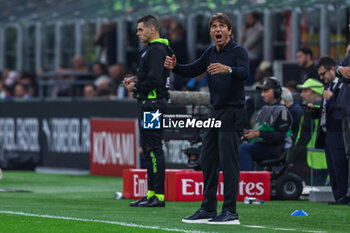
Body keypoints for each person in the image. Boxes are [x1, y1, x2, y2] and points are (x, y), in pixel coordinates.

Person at [165, 13, 248, 225]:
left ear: (229, 30)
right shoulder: (211, 52)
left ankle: (230, 211)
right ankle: (208, 208)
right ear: (211, 31)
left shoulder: (238, 51)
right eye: (213, 26)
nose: (217, 30)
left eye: (221, 26)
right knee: (208, 158)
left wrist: (227, 69)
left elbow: (245, 72)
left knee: (228, 162)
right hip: (216, 111)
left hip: (232, 111)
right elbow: (193, 69)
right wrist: (175, 66)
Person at [124, 15, 172, 207]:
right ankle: (151, 192)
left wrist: (135, 87)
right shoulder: (153, 50)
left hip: (152, 106)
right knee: (148, 149)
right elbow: (150, 77)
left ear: (152, 29)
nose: (137, 33)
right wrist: (135, 81)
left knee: (153, 149)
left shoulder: (157, 50)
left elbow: (154, 79)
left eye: (140, 29)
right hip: (148, 104)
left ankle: (158, 195)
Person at [308, 56, 349, 204]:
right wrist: (314, 111)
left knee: (340, 165)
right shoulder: (328, 88)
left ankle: (344, 196)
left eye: (323, 73)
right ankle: (338, 196)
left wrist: (331, 99)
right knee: (332, 166)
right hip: (327, 133)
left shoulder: (343, 86)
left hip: (339, 132)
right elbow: (327, 111)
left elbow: (342, 110)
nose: (321, 77)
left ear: (332, 69)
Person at [238, 77, 292, 171]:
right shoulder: (264, 109)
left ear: (276, 92)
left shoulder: (282, 111)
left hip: (273, 150)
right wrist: (250, 133)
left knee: (244, 149)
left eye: (266, 91)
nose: (262, 95)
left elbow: (280, 136)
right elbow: (260, 130)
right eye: (262, 91)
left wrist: (259, 134)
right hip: (260, 145)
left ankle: (246, 181)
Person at [289, 79, 327, 185]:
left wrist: (291, 158)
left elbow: (303, 138)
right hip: (330, 161)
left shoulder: (310, 112)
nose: (301, 95)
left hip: (314, 163)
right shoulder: (328, 110)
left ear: (315, 92)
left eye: (305, 91)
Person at [241, 12, 263, 86]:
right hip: (247, 56)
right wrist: (244, 34)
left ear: (255, 19)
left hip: (254, 57)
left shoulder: (259, 29)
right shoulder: (249, 29)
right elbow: (240, 44)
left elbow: (248, 45)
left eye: (250, 18)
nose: (247, 20)